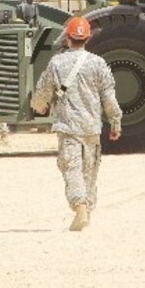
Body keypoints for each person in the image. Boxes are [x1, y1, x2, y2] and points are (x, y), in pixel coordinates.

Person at [31, 15, 122, 232]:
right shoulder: (98, 63)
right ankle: (87, 209)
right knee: (89, 170)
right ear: (87, 38)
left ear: (68, 39)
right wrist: (116, 123)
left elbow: (43, 91)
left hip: (68, 127)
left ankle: (80, 207)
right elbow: (109, 99)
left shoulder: (57, 63)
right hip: (92, 127)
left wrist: (38, 107)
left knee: (71, 167)